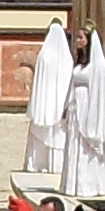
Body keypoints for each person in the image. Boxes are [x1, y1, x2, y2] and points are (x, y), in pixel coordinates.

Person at [59, 22, 105, 200]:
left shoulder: (98, 66)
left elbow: (99, 93)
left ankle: (89, 184)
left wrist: (93, 116)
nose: (77, 40)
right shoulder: (80, 64)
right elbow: (72, 84)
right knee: (74, 143)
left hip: (88, 108)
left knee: (86, 147)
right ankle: (73, 183)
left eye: (81, 37)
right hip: (75, 108)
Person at [21, 16, 72, 178]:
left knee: (41, 133)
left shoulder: (44, 55)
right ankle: (55, 164)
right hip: (59, 102)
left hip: (45, 101)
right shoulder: (67, 57)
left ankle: (37, 163)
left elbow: (38, 82)